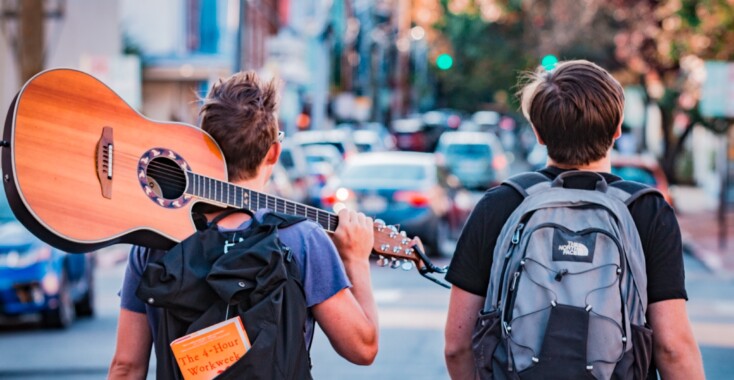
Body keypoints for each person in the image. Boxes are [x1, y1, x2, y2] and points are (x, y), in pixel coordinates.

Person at [443, 60, 705, 379]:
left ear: (538, 133)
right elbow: (673, 348)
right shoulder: (647, 210)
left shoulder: (499, 205)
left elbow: (457, 346)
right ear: (618, 128)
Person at [108, 71, 379, 378]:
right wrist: (356, 260)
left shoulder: (156, 239)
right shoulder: (301, 239)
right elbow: (362, 348)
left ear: (201, 143)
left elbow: (126, 367)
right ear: (274, 152)